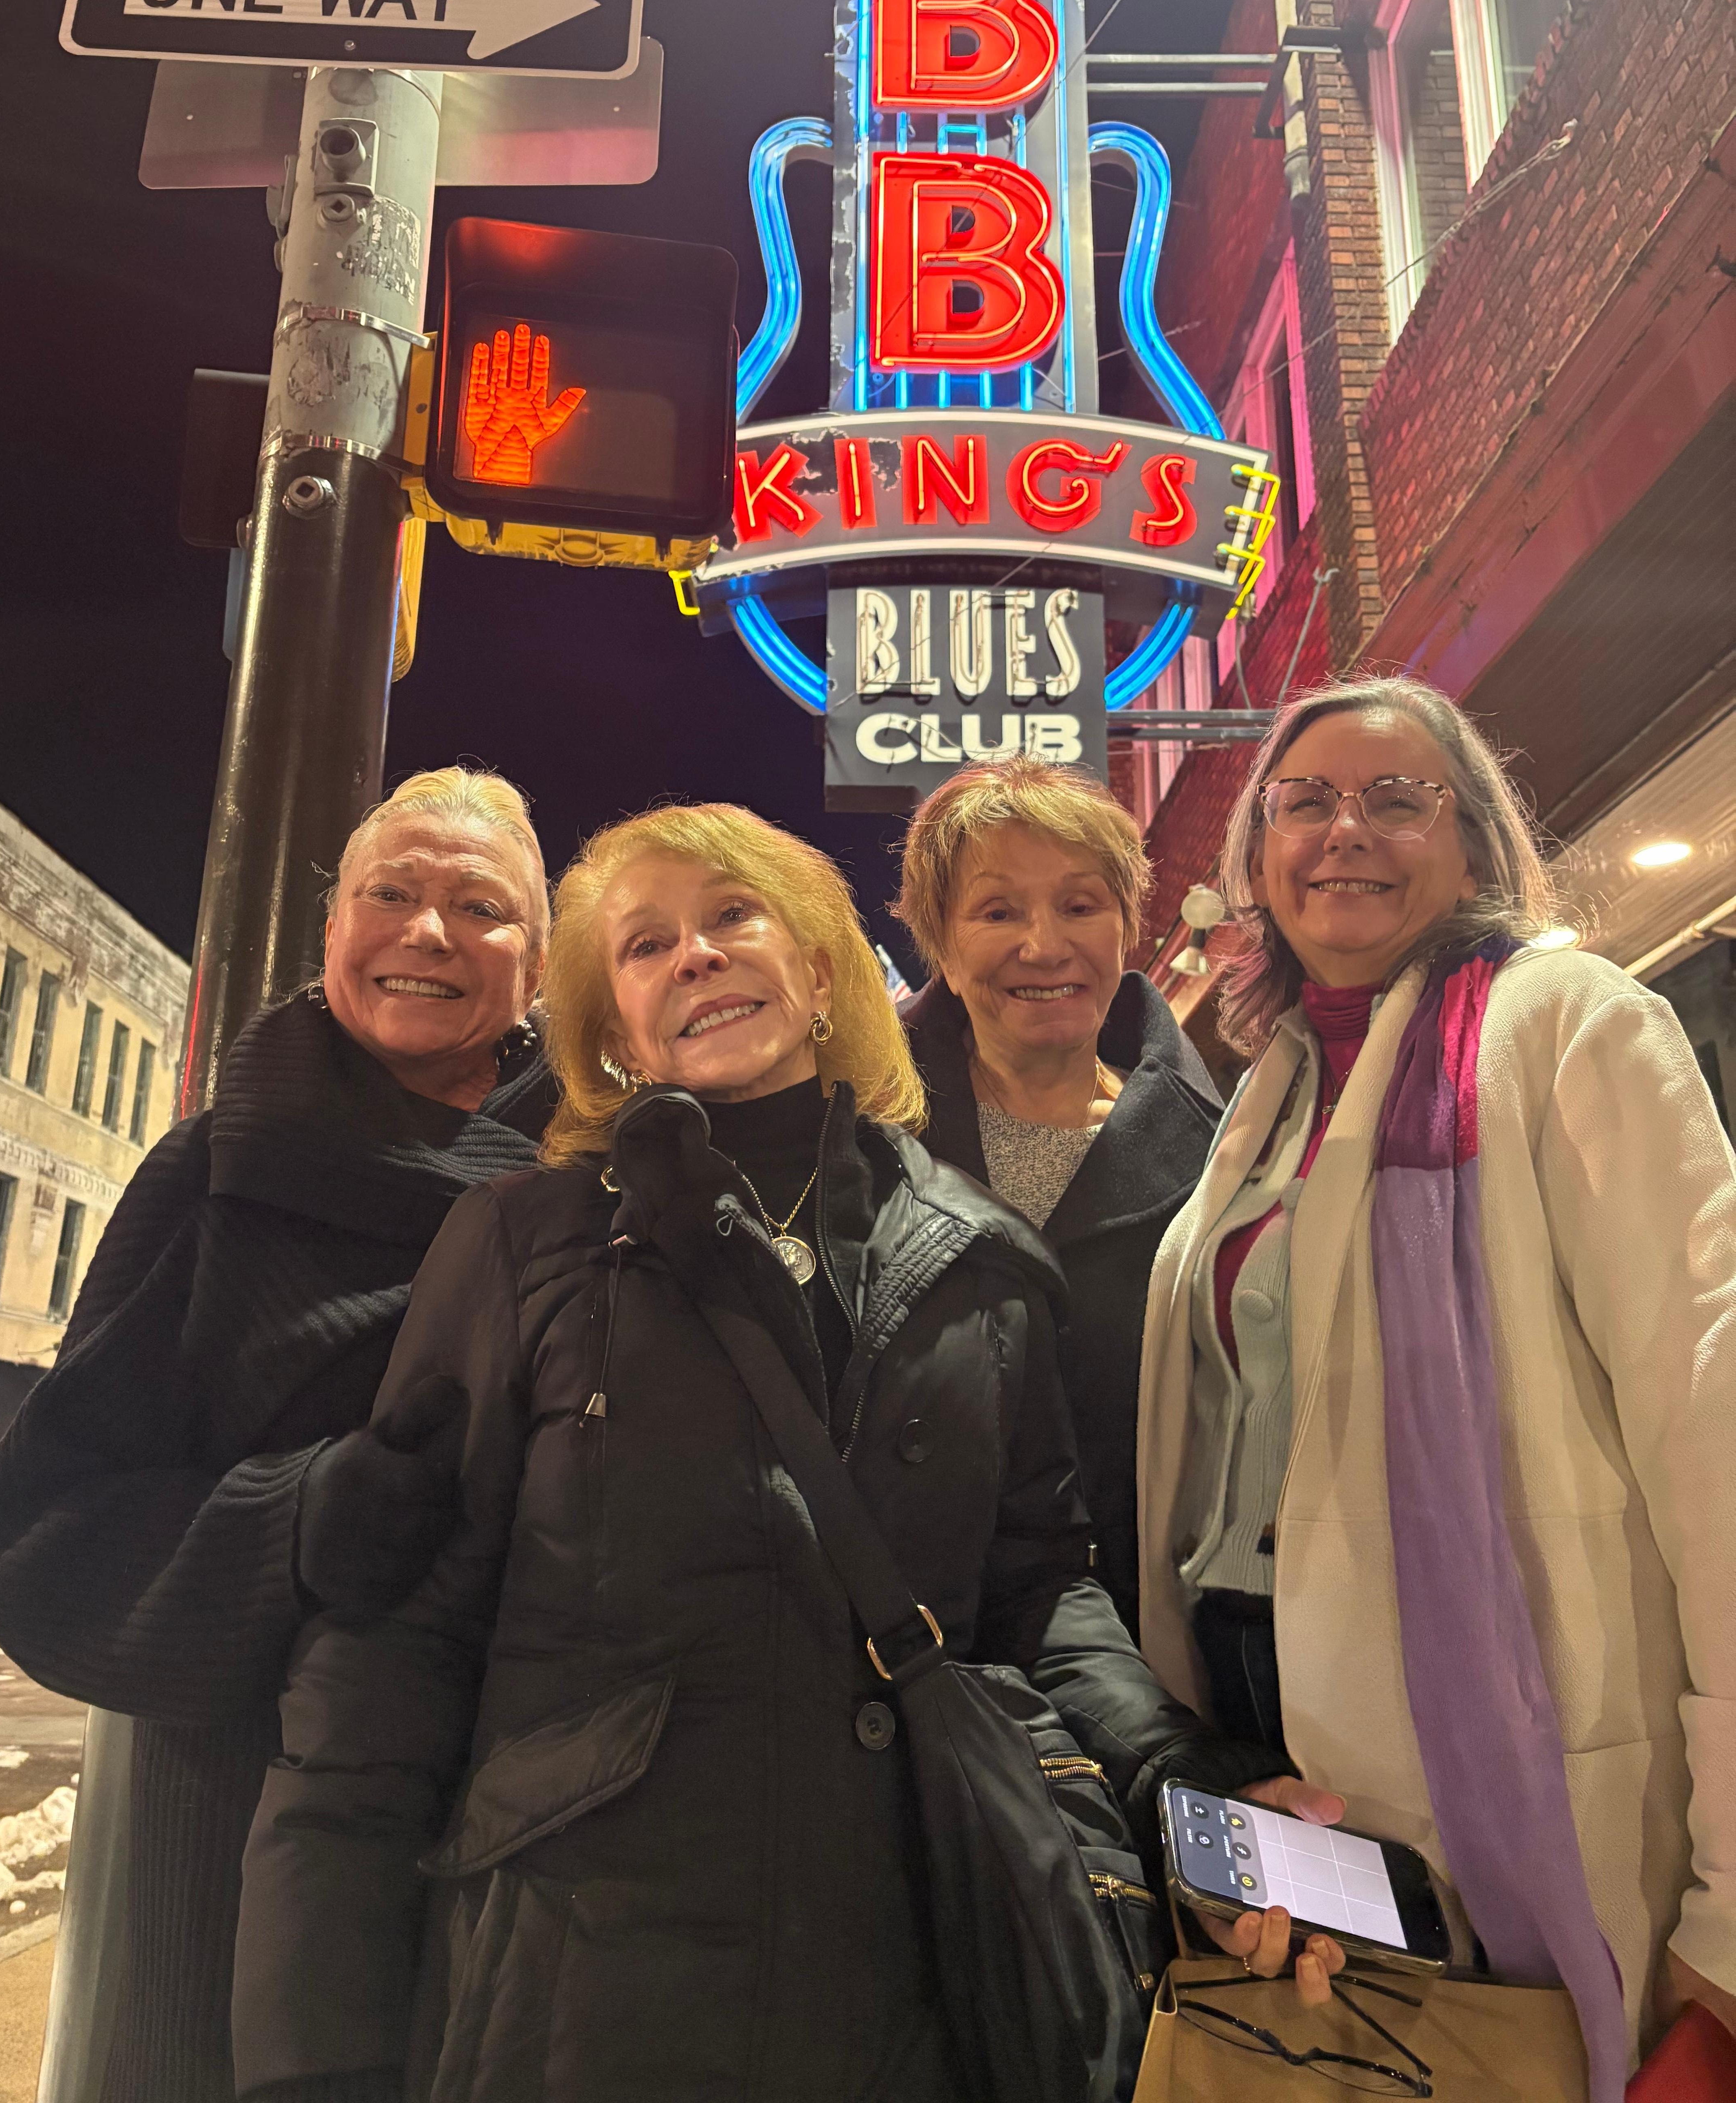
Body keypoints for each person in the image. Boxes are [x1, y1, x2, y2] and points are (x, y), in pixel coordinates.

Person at [231, 802, 1344, 2103]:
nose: (695, 957)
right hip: (586, 1993)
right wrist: (314, 2050)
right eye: (645, 948)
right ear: (613, 1032)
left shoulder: (981, 1263)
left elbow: (1040, 1596)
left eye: (731, 918)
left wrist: (1188, 1785)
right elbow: (390, 1644)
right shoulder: (522, 1246)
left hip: (930, 1977)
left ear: (818, 969)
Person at [1135, 676, 1736, 2097]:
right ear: (1257, 862)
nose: (1345, 829)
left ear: (1470, 849)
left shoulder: (1565, 1026)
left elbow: (1712, 1428)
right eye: (1303, 802)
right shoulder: (1270, 1089)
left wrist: (1732, 1898)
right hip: (1258, 1711)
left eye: (1395, 798)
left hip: (1500, 1722)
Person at [0, 767, 556, 2103]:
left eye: (479, 906)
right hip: (228, 1841)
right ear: (332, 934)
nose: (427, 930)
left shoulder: (588, 1191)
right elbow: (46, 1532)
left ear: (539, 967)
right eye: (392, 893)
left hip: (526, 1829)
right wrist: (294, 1520)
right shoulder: (212, 1171)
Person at [895, 757, 1222, 1636]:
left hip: (1158, 1638)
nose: (1045, 946)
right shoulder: (857, 1142)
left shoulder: (1224, 1157)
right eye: (998, 911)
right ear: (942, 944)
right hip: (915, 1644)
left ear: (1125, 928)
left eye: (1081, 906)